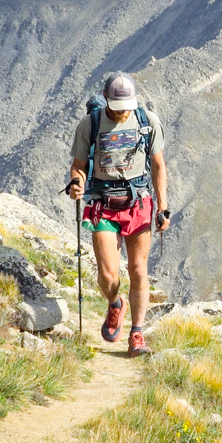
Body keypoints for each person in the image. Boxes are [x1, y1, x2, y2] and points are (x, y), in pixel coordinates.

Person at [67, 72, 170, 357]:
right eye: (117, 107)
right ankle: (115, 303)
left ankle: (137, 334)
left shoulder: (148, 121)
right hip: (103, 203)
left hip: (138, 201)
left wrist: (163, 207)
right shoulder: (90, 124)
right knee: (107, 274)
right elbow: (78, 165)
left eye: (127, 107)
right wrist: (76, 183)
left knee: (138, 268)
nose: (123, 112)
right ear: (106, 100)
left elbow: (158, 165)